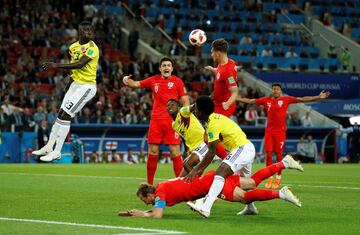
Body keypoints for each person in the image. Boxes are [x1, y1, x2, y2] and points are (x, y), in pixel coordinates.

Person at [118, 155, 303, 218]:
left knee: (245, 198)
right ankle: (284, 163)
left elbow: (157, 215)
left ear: (149, 194)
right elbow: (157, 210)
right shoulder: (162, 187)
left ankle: (281, 193)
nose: (146, 204)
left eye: (145, 200)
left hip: (211, 183)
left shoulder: (160, 193)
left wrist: (141, 215)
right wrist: (138, 213)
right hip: (211, 177)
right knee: (252, 182)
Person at [237, 83, 330, 189]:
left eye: (277, 89)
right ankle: (270, 177)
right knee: (268, 154)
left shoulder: (286, 99)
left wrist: (318, 97)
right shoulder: (266, 100)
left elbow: (302, 99)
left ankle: (278, 177)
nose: (275, 91)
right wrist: (236, 98)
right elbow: (251, 101)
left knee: (278, 155)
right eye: (273, 89)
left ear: (280, 90)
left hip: (280, 132)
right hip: (269, 132)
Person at [32, 21, 99, 162]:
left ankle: (57, 151)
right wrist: (69, 82)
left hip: (87, 87)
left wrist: (55, 65)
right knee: (61, 114)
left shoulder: (93, 48)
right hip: (75, 84)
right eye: (86, 29)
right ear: (80, 31)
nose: (89, 32)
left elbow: (80, 64)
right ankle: (49, 146)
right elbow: (75, 69)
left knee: (66, 115)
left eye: (91, 30)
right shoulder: (73, 47)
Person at [183, 95, 257, 217]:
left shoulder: (212, 124)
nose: (194, 111)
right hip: (243, 149)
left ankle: (205, 208)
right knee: (245, 183)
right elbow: (210, 147)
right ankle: (251, 207)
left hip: (243, 148)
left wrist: (196, 170)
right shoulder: (211, 121)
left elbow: (212, 152)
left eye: (195, 108)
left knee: (220, 173)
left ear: (200, 112)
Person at [123, 57, 190, 185]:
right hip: (156, 121)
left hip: (172, 121)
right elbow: (136, 84)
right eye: (164, 65)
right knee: (152, 152)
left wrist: (184, 116)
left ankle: (180, 185)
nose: (166, 67)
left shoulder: (177, 82)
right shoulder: (153, 80)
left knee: (175, 152)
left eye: (168, 65)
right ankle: (149, 184)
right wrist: (126, 79)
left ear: (172, 68)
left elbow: (185, 100)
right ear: (160, 68)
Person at [166, 99, 228, 177]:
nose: (169, 107)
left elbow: (195, 106)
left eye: (172, 104)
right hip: (194, 149)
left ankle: (199, 184)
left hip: (203, 143)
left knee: (187, 164)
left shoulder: (182, 112)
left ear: (178, 107)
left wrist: (205, 100)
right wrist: (187, 150)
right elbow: (184, 137)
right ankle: (198, 182)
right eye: (168, 105)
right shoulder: (173, 124)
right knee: (181, 179)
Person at [205, 39, 238, 117]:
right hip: (217, 104)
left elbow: (235, 92)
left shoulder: (227, 71)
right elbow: (222, 74)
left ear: (218, 53)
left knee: (212, 128)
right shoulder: (228, 62)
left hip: (224, 107)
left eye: (212, 52)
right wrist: (213, 69)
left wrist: (227, 104)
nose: (212, 54)